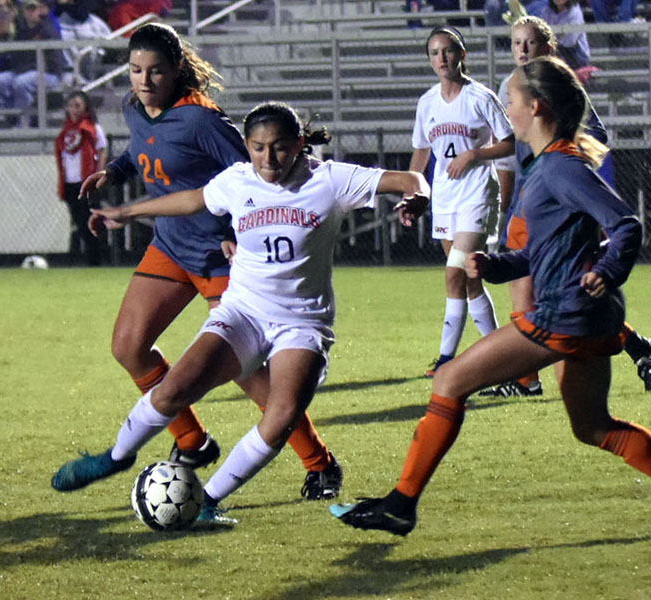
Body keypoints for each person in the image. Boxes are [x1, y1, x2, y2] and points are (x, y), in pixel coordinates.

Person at [331, 56, 651, 538]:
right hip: (586, 316)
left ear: (536, 107)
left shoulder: (562, 167)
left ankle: (400, 505)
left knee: (449, 382)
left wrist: (607, 270)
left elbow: (626, 224)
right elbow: (544, 251)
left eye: (510, 102)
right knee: (591, 426)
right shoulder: (546, 164)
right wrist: (498, 265)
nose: (506, 111)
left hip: (566, 314)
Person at [51, 101, 433, 526]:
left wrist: (415, 198)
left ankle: (206, 501)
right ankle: (115, 456)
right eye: (257, 148)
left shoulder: (330, 179)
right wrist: (126, 211)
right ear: (247, 146)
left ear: (300, 144)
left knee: (282, 414)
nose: (268, 159)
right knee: (173, 390)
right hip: (243, 313)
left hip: (302, 323)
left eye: (280, 148)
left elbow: (411, 177)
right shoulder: (237, 180)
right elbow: (194, 200)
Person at [67, 23, 343, 501]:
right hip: (172, 246)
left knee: (249, 372)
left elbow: (255, 173)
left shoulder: (202, 119)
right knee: (129, 346)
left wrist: (239, 234)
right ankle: (192, 443)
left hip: (221, 254)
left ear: (177, 70)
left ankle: (320, 465)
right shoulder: (137, 109)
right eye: (135, 70)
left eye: (155, 71)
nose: (145, 80)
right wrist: (113, 171)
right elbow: (142, 150)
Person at [484, 15, 651, 397]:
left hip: (555, 206)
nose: (522, 50)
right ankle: (633, 348)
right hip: (527, 203)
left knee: (555, 296)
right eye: (516, 43)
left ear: (548, 48)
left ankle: (527, 379)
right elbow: (514, 143)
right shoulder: (512, 85)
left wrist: (560, 167)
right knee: (534, 292)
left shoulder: (560, 88)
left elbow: (593, 134)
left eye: (530, 43)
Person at [411, 25, 516, 378]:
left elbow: (509, 142)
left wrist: (474, 154)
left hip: (476, 195)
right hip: (444, 197)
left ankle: (445, 359)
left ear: (462, 55)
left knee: (455, 273)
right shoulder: (427, 103)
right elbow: (422, 150)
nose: (442, 58)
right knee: (470, 281)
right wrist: (413, 194)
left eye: (448, 50)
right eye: (434, 53)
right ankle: (503, 361)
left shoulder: (481, 97)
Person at [0, 0, 63, 127]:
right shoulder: (19, 29)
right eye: (28, 8)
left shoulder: (47, 28)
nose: (30, 12)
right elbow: (1, 44)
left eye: (34, 8)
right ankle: (11, 119)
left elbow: (52, 63)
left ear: (40, 10)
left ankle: (26, 122)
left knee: (21, 82)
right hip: (22, 72)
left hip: (48, 74)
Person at [54, 90, 107, 265]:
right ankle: (87, 258)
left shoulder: (93, 128)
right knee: (79, 221)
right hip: (70, 182)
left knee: (92, 220)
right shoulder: (65, 131)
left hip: (87, 181)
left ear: (85, 108)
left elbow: (102, 149)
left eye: (77, 106)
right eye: (70, 106)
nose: (73, 110)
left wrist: (98, 176)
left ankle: (97, 259)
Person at [540, 0, 590, 71]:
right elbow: (542, 33)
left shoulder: (574, 12)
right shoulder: (547, 11)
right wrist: (559, 34)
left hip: (576, 55)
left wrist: (554, 36)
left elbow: (569, 41)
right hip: (554, 49)